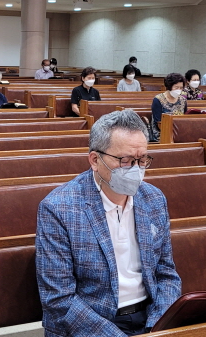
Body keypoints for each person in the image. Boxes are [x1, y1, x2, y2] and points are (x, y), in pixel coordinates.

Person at [36, 109, 182, 336]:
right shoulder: (59, 208)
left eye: (142, 159)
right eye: (125, 161)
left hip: (149, 318)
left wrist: (158, 326)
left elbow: (166, 274)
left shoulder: (153, 198)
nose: (136, 169)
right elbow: (59, 299)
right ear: (95, 160)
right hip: (92, 324)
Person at [150, 73, 188, 142]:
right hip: (161, 133)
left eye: (181, 88)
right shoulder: (158, 99)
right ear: (169, 86)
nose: (179, 90)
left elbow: (185, 118)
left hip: (179, 132)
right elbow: (158, 122)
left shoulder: (183, 100)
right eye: (176, 87)